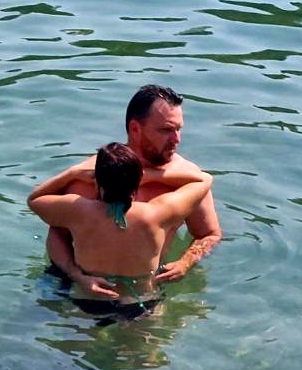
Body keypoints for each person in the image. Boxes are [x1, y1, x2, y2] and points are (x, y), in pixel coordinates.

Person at [31, 84, 222, 302]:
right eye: (166, 130)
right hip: (79, 288)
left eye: (179, 129)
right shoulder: (92, 175)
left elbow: (209, 234)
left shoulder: (187, 179)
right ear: (135, 129)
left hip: (146, 289)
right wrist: (74, 274)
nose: (176, 139)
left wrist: (185, 263)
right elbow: (57, 234)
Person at [28, 143, 213, 315]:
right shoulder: (157, 214)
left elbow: (34, 199)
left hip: (90, 297)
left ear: (98, 182)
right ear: (137, 182)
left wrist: (72, 173)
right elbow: (204, 180)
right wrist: (151, 175)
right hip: (142, 300)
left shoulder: (78, 210)